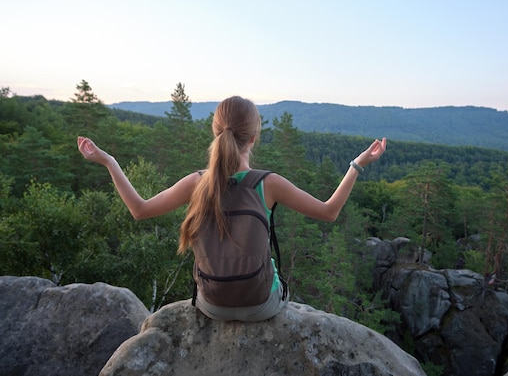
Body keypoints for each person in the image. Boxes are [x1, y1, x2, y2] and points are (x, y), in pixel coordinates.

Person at [77, 95, 386, 321]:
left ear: (216, 132)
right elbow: (329, 211)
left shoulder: (196, 183)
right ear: (253, 138)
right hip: (261, 306)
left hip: (211, 306)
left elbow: (140, 209)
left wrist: (109, 161)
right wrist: (358, 164)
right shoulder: (269, 183)